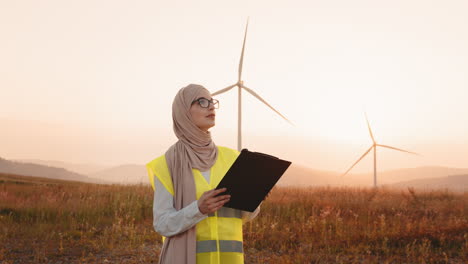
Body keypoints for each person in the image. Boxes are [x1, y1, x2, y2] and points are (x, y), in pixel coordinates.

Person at [146, 84, 260, 264]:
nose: (211, 106)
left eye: (212, 101)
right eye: (202, 101)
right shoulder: (166, 164)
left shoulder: (232, 158)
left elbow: (244, 216)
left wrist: (255, 198)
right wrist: (198, 209)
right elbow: (162, 224)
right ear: (183, 112)